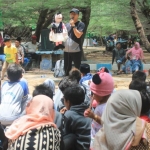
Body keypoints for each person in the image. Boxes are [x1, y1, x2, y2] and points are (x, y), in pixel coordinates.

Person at [84, 72, 114, 150]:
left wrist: (94, 116)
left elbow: (106, 123)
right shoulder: (101, 102)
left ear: (102, 94)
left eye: (94, 93)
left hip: (101, 141)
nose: (92, 96)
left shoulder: (106, 107)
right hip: (95, 137)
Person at [63, 85, 92, 150]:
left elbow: (67, 134)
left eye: (64, 100)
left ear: (68, 102)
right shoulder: (90, 110)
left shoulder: (69, 114)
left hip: (81, 147)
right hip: (92, 144)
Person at [64, 8, 85, 76]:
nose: (72, 15)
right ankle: (67, 82)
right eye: (71, 14)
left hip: (76, 50)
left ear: (78, 15)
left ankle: (77, 81)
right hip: (67, 50)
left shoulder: (81, 24)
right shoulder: (67, 25)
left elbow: (78, 35)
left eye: (74, 14)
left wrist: (73, 26)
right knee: (66, 68)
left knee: (77, 68)